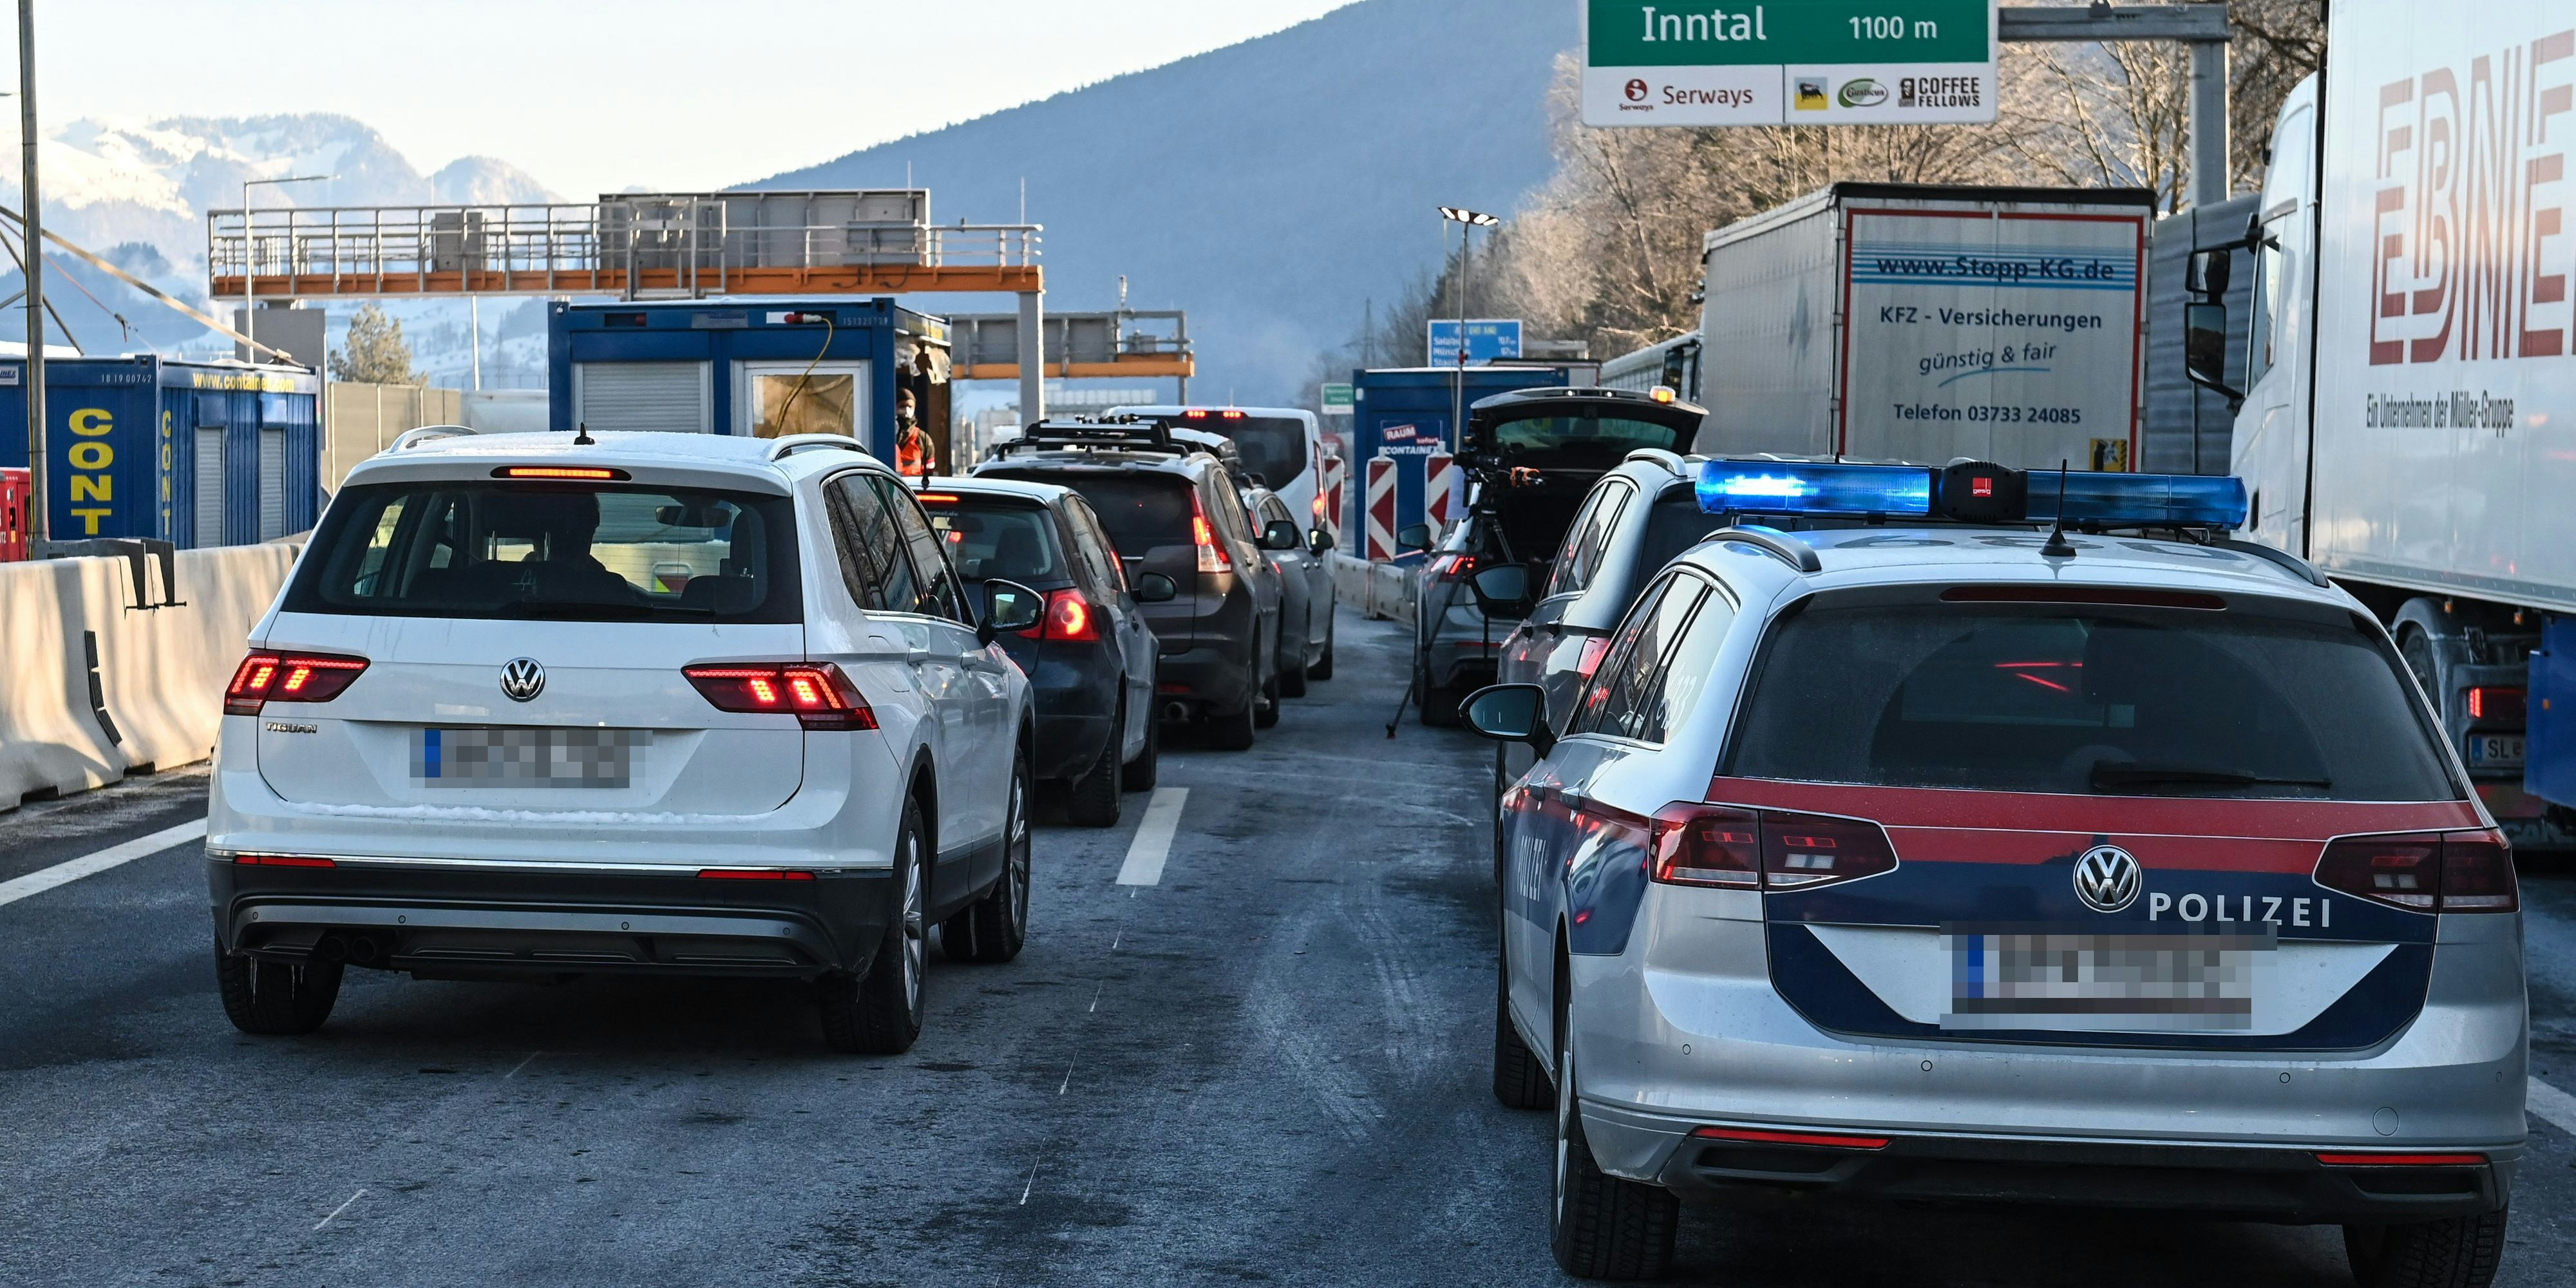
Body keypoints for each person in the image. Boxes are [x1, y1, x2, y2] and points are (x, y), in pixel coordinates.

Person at [893, 388, 931, 478]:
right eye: (902, 406)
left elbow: (929, 468)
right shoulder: (888, 435)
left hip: (915, 487)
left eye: (910, 407)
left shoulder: (922, 437)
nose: (907, 410)